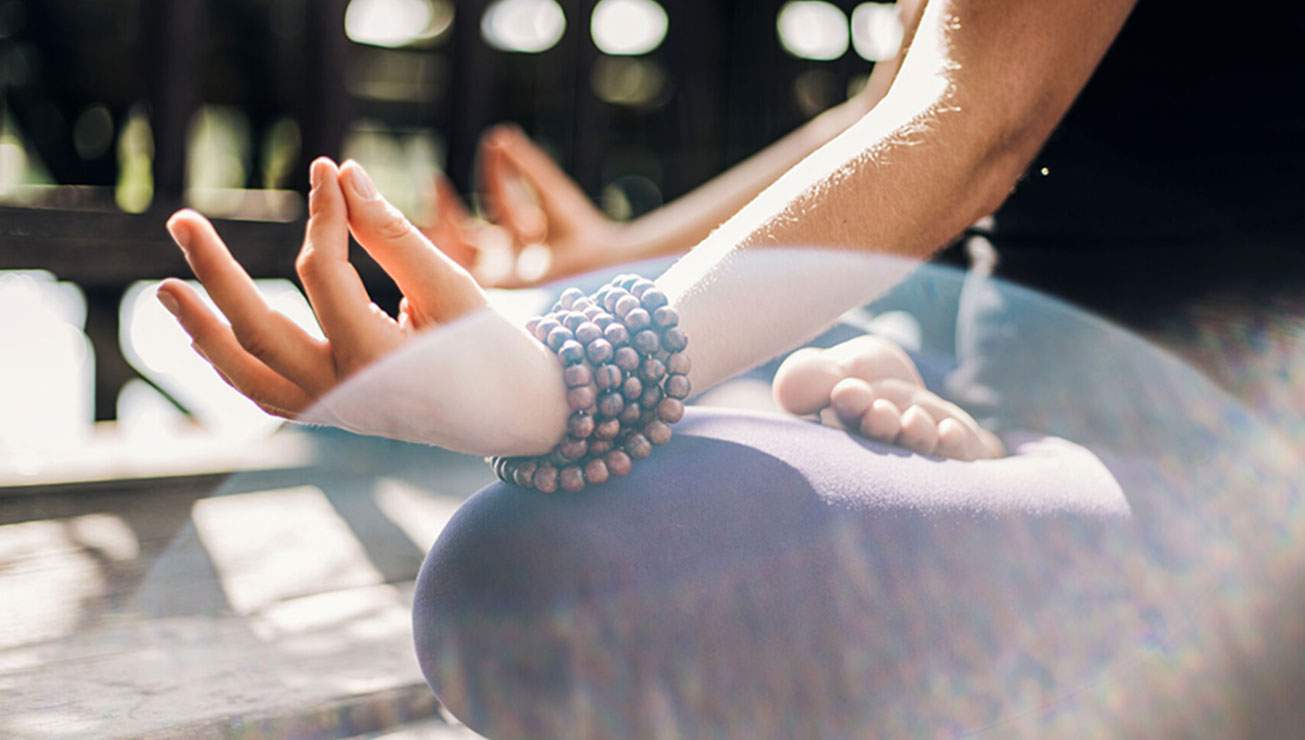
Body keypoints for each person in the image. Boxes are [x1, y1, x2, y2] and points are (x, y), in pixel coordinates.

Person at [154, 0, 1305, 735]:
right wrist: (607, 269)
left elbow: (974, 122)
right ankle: (959, 457)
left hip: (1245, 493)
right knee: (403, 382)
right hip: (1021, 384)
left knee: (527, 585)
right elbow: (890, 112)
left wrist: (572, 372)